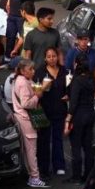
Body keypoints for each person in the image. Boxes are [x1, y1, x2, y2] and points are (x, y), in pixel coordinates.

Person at [12, 58, 51, 188]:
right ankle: (34, 177)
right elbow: (26, 103)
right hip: (26, 118)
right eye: (30, 69)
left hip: (21, 117)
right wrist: (37, 96)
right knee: (31, 150)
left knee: (28, 149)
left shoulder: (20, 80)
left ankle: (32, 175)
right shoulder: (23, 83)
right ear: (23, 71)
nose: (33, 71)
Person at [34, 47, 68, 179]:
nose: (52, 59)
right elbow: (36, 91)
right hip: (45, 110)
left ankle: (59, 165)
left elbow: (70, 87)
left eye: (54, 56)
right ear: (45, 58)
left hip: (60, 109)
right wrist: (42, 87)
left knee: (58, 138)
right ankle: (43, 168)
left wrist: (68, 95)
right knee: (44, 140)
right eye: (49, 56)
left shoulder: (64, 71)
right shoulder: (40, 72)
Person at [64, 62, 95, 184]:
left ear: (76, 64)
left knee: (76, 146)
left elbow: (73, 103)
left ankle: (76, 176)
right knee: (88, 146)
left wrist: (68, 119)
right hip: (90, 113)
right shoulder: (93, 79)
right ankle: (88, 175)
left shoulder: (77, 81)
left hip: (79, 115)